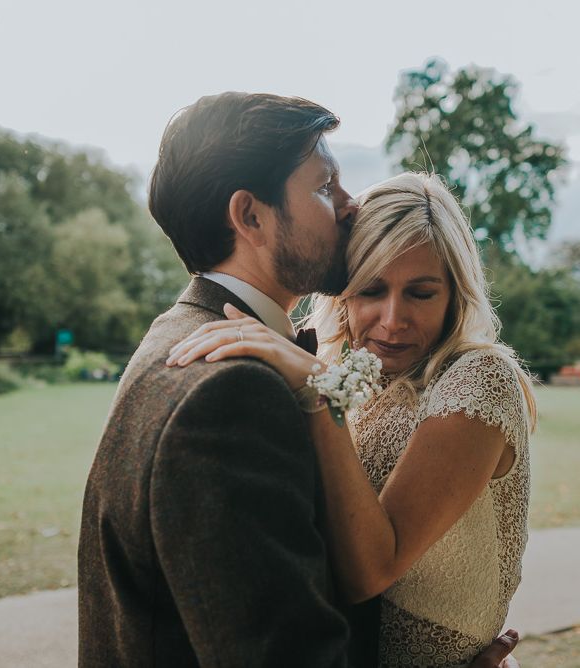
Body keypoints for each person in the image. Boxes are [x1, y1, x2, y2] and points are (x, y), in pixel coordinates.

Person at [78, 91, 520, 667]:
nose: (348, 204)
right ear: (251, 216)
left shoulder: (178, 332)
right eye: (323, 186)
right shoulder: (232, 390)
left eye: (419, 291)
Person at [167, 171, 534, 667]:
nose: (392, 319)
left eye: (421, 293)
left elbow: (371, 571)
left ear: (455, 293)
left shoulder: (479, 379)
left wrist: (318, 391)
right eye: (371, 289)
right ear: (341, 292)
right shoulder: (342, 368)